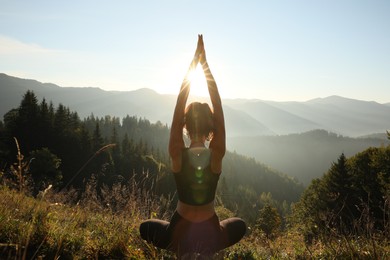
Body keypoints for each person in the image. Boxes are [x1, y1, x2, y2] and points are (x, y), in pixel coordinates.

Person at [140, 35, 246, 258]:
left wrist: (193, 64)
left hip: (179, 231)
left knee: (146, 227)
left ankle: (185, 248)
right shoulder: (217, 154)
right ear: (212, 128)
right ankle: (206, 247)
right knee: (239, 225)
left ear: (185, 126)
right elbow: (218, 105)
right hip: (211, 230)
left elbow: (180, 104)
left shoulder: (177, 152)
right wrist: (204, 64)